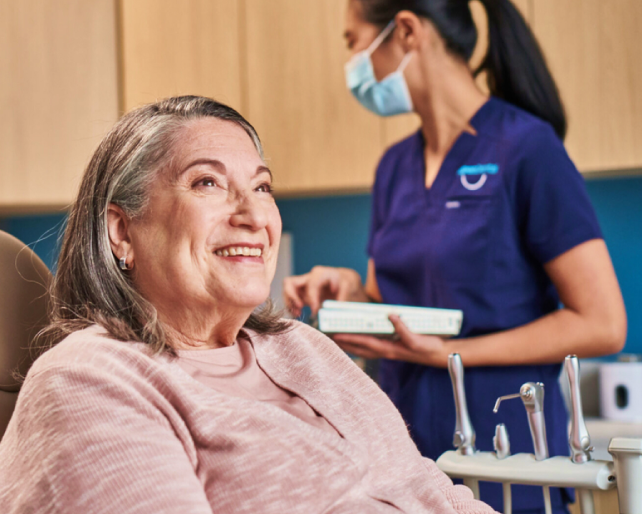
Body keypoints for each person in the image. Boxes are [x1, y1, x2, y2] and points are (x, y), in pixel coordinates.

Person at [0, 96, 496, 514]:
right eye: (207, 183)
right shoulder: (89, 381)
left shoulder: (301, 348)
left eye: (262, 186)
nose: (253, 214)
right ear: (121, 231)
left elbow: (431, 492)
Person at [283, 1, 627, 513]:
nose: (354, 63)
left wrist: (451, 354)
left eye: (354, 42)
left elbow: (602, 323)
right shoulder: (394, 167)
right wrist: (349, 292)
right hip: (406, 458)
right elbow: (390, 303)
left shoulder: (528, 149)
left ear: (405, 31)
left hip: (508, 456)